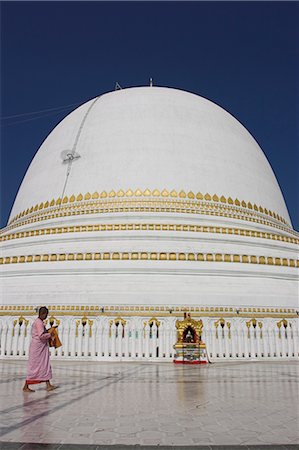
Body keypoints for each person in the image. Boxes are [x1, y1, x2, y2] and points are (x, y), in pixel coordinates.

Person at [23, 306, 57, 392]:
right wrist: (50, 334)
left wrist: (50, 330)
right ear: (43, 314)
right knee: (34, 366)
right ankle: (26, 386)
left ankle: (48, 384)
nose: (46, 316)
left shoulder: (40, 322)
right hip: (38, 348)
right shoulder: (39, 323)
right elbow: (41, 336)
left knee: (44, 365)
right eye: (46, 314)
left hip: (40, 347)